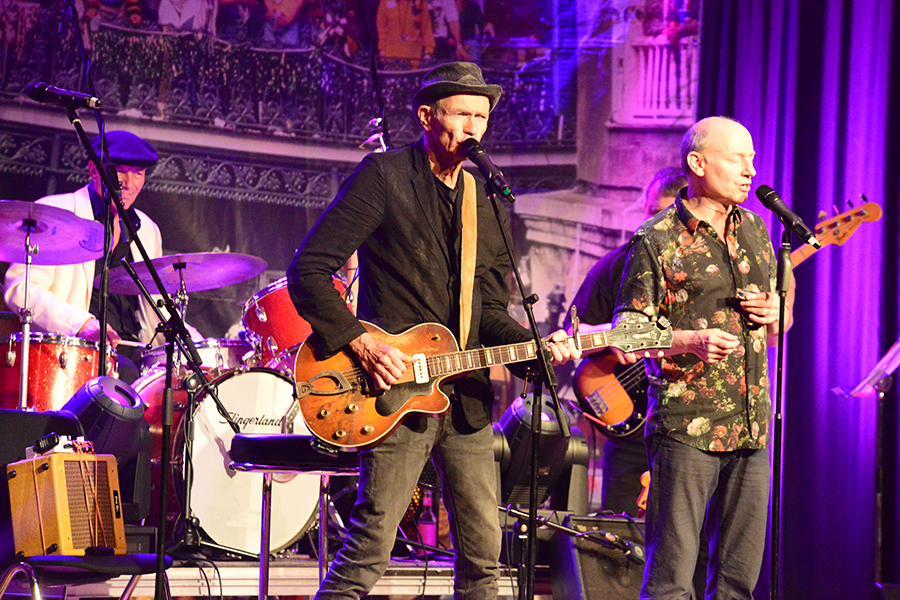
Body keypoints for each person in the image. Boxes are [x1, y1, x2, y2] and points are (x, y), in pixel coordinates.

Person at [286, 61, 579, 600]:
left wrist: (534, 351)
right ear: (426, 116)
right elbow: (307, 270)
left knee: (484, 557)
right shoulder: (384, 177)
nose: (473, 128)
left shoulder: (485, 200)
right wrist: (362, 343)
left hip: (464, 399)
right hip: (392, 391)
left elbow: (488, 312)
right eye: (461, 114)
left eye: (481, 117)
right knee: (370, 548)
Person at [612, 116, 794, 599]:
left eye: (751, 159)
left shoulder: (756, 229)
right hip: (686, 428)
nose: (749, 170)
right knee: (671, 579)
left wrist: (779, 310)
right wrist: (689, 340)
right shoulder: (657, 238)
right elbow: (627, 335)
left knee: (737, 582)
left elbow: (781, 321)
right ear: (697, 162)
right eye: (737, 159)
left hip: (751, 427)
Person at [565, 166, 685, 516]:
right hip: (632, 430)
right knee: (619, 534)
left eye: (668, 215)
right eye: (652, 213)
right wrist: (619, 332)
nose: (657, 224)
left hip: (686, 426)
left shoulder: (708, 271)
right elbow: (572, 336)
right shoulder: (615, 265)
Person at [3, 131, 167, 378]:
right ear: (93, 171)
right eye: (120, 172)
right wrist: (81, 324)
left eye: (138, 173)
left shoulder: (147, 229)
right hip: (71, 355)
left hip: (133, 354)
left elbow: (157, 308)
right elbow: (21, 289)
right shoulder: (55, 211)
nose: (129, 183)